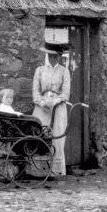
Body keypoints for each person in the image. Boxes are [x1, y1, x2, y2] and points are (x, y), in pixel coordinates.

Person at [32, 43, 71, 176]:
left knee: (56, 136)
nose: (52, 58)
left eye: (55, 56)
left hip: (58, 107)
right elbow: (35, 91)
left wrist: (55, 101)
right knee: (40, 134)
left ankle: (56, 170)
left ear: (59, 57)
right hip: (42, 107)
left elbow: (66, 93)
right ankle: (38, 171)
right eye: (49, 56)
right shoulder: (40, 70)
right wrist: (41, 103)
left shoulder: (64, 71)